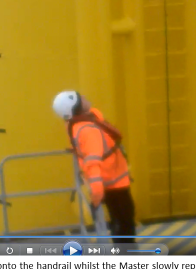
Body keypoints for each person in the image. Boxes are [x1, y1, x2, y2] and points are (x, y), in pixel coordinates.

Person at [52, 91, 136, 244]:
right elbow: (92, 163)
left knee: (121, 220)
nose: (85, 98)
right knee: (124, 221)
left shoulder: (81, 122)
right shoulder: (88, 131)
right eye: (80, 99)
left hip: (113, 178)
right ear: (77, 107)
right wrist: (96, 196)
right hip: (112, 182)